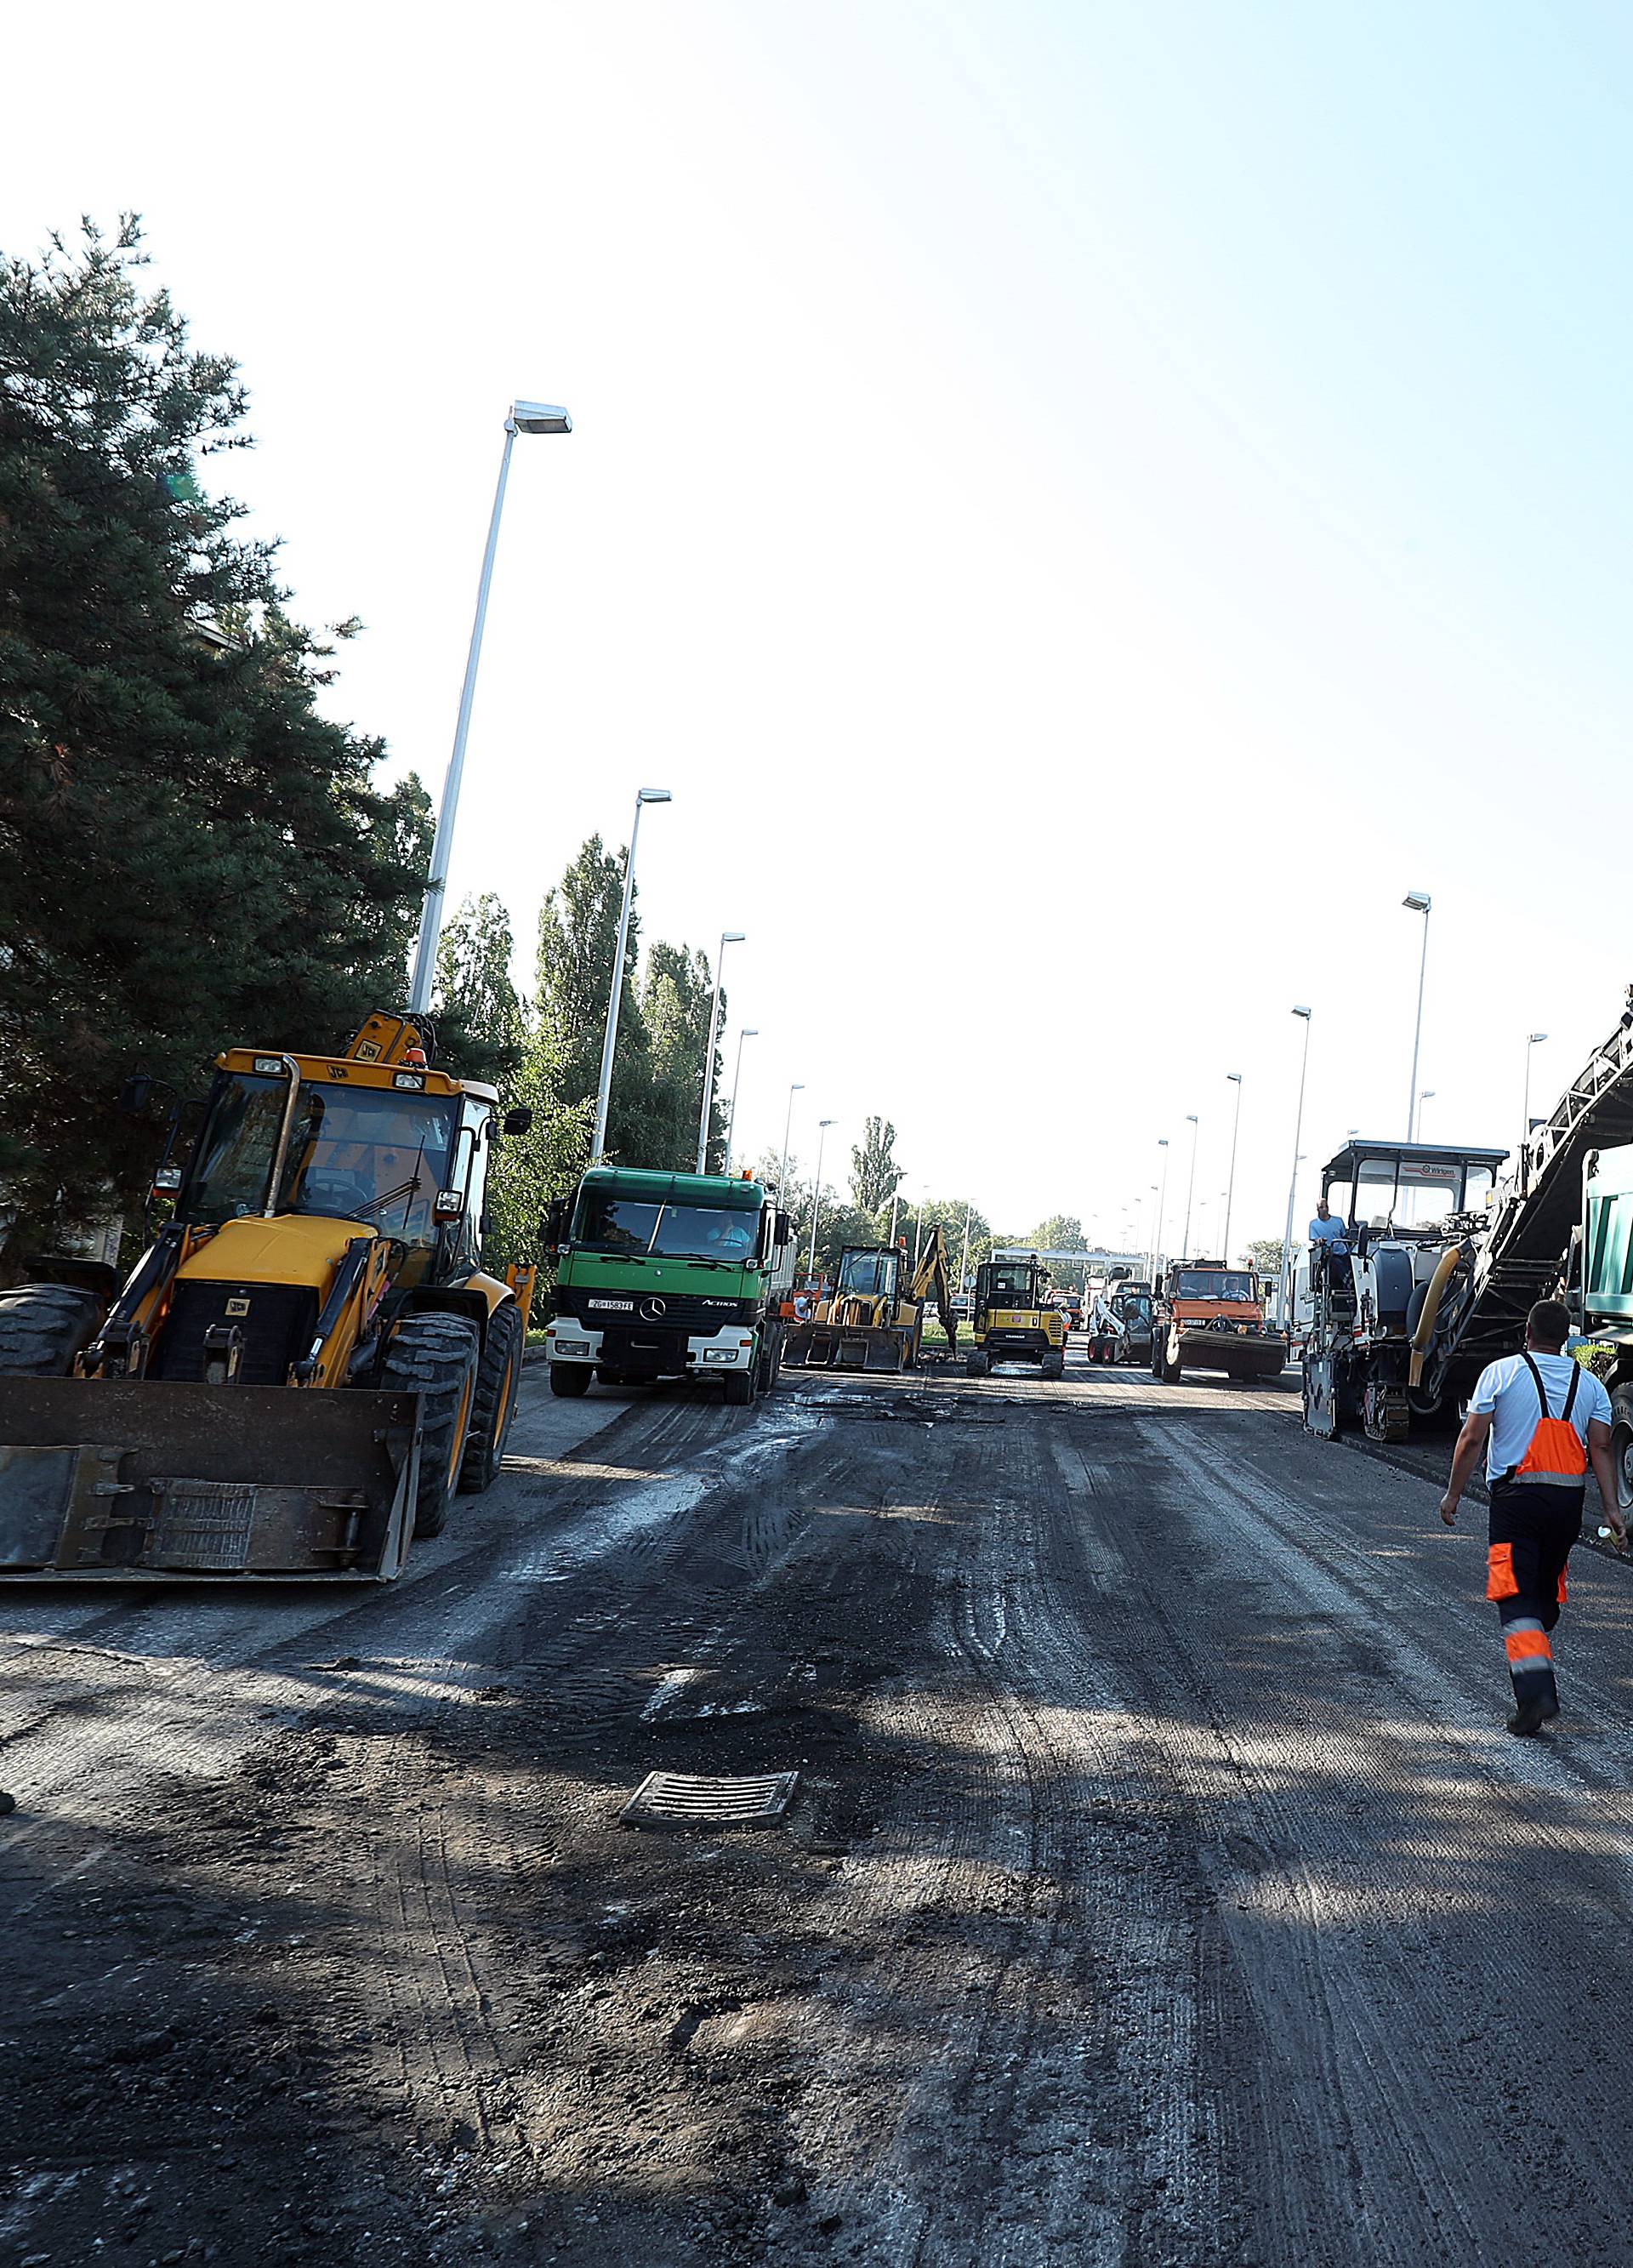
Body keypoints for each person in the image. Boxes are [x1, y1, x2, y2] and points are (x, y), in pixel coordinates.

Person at [1439, 1300, 1624, 1736]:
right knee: (1542, 1593)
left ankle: (1535, 1691)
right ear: (1565, 1338)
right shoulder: (1591, 1385)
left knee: (1514, 1595)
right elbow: (1599, 1449)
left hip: (1515, 1504)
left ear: (1527, 1330)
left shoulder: (1501, 1372)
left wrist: (1452, 1494)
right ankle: (1535, 1652)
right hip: (1567, 1504)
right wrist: (1614, 1510)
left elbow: (1471, 1439)